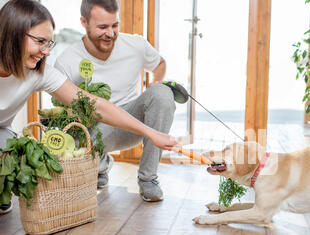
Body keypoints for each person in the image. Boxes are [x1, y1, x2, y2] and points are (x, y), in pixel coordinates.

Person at [0, 0, 180, 214]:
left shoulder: (40, 73)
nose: (46, 52)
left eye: (48, 43)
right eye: (40, 41)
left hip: (3, 134)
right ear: (14, 33)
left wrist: (151, 133)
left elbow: (95, 106)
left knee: (15, 152)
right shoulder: (68, 59)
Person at [54, 0, 176, 202]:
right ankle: (100, 165)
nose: (110, 33)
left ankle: (148, 178)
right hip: (93, 129)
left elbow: (160, 63)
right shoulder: (67, 61)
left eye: (114, 25)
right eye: (102, 27)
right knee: (72, 136)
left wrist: (156, 81)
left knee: (163, 94)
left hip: (132, 125)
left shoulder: (135, 45)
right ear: (84, 22)